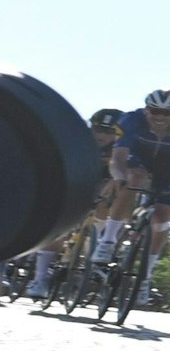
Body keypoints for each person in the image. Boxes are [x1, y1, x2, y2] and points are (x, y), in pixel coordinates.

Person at [23, 109, 121, 298]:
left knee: (109, 198)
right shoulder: (79, 140)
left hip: (103, 181)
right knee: (58, 227)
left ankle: (97, 241)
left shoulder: (122, 146)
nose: (101, 135)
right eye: (98, 129)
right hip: (76, 179)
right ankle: (40, 279)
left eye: (109, 131)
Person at [95, 91, 170, 286]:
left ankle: (146, 275)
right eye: (154, 111)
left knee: (162, 218)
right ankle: (108, 240)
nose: (160, 116)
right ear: (146, 110)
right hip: (138, 160)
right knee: (135, 178)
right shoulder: (131, 120)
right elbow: (118, 158)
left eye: (166, 113)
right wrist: (119, 177)